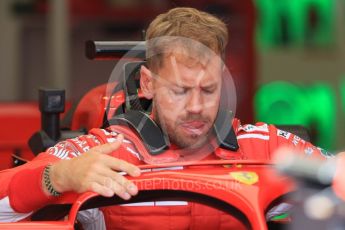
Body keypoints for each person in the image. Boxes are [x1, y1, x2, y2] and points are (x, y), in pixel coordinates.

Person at [0, 7, 330, 229]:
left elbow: (335, 176)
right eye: (180, 90)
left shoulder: (262, 146)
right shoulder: (105, 154)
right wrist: (58, 177)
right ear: (148, 84)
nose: (197, 107)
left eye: (209, 89)